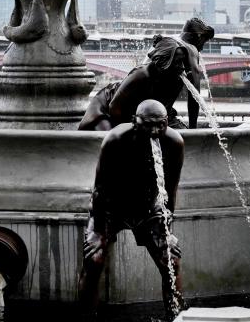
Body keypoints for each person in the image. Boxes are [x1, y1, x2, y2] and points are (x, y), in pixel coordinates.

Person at [79, 100, 184, 319]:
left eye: (161, 124)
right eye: (149, 124)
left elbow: (170, 191)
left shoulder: (174, 142)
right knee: (94, 258)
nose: (155, 130)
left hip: (147, 208)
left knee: (171, 260)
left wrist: (168, 230)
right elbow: (99, 189)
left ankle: (176, 316)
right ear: (135, 122)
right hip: (110, 208)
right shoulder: (116, 139)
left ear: (167, 122)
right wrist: (98, 231)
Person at [78, 36, 199, 131]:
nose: (182, 67)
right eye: (178, 62)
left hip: (139, 114)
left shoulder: (177, 78)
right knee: (111, 138)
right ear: (164, 61)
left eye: (183, 61)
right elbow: (115, 108)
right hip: (107, 109)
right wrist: (133, 127)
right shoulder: (141, 74)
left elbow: (164, 109)